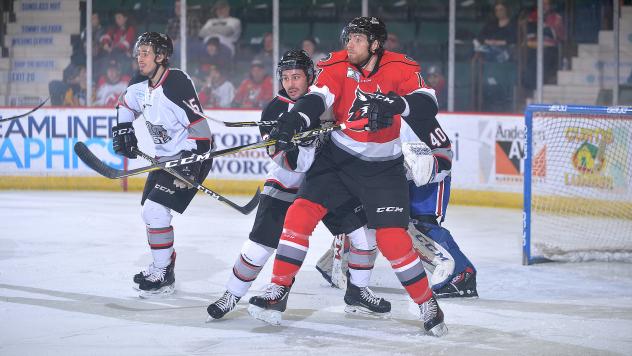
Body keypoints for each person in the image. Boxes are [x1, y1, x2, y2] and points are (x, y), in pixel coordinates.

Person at [247, 17, 448, 337]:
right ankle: (277, 292)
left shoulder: (401, 66)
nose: (349, 44)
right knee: (298, 216)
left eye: (357, 39)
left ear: (375, 44)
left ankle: (427, 302)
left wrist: (398, 103)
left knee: (393, 241)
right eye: (348, 38)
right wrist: (295, 120)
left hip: (383, 169)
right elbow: (318, 99)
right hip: (336, 162)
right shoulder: (335, 64)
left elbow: (428, 104)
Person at [206, 49, 390, 321]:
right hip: (287, 183)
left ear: (310, 78)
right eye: (286, 77)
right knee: (260, 245)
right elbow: (290, 164)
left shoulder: (326, 101)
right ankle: (231, 294)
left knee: (364, 235)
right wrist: (297, 144)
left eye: (297, 77)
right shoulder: (274, 110)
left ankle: (358, 292)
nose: (291, 84)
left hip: (326, 184)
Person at [316, 100, 478, 299]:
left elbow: (443, 150)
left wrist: (430, 167)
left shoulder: (409, 108)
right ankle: (336, 264)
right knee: (363, 216)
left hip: (425, 177)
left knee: (415, 225)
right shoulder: (353, 105)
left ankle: (460, 274)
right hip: (386, 173)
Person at [112, 32, 214, 298]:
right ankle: (163, 266)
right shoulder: (139, 83)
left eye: (146, 52)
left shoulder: (176, 82)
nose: (140, 57)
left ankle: (163, 272)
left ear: (161, 56)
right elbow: (124, 102)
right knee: (150, 213)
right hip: (165, 159)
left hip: (191, 156)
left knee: (156, 212)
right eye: (138, 52)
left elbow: (201, 128)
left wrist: (192, 165)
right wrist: (123, 127)